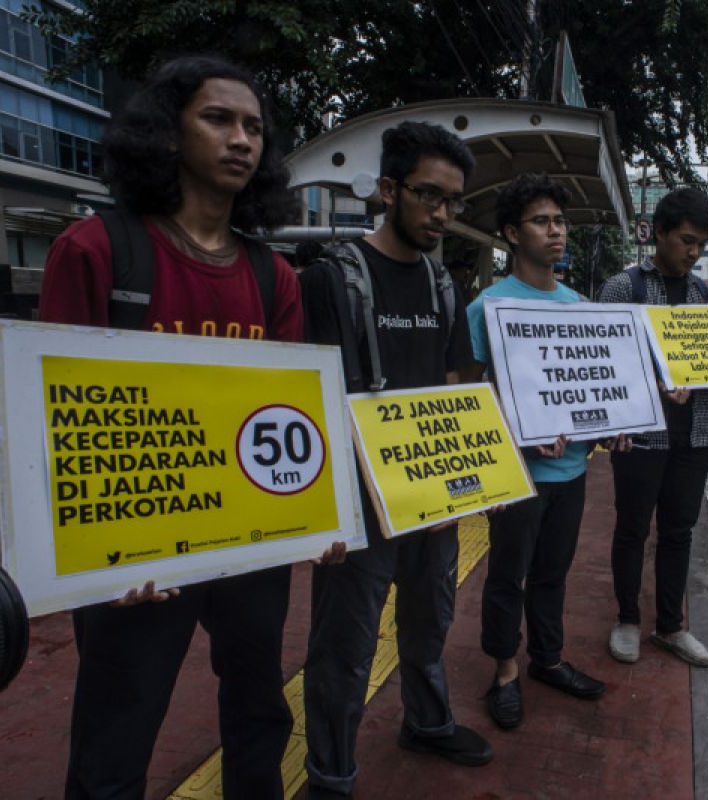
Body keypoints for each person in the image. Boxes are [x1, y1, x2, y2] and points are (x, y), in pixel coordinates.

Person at [38, 55, 318, 800]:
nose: (240, 140)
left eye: (254, 127)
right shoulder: (96, 249)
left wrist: (318, 513)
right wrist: (97, 562)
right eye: (217, 119)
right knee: (116, 730)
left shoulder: (273, 276)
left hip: (249, 545)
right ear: (167, 133)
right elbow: (53, 419)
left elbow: (289, 416)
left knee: (260, 708)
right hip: (137, 554)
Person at [298, 120, 489, 799]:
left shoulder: (444, 289)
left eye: (453, 201)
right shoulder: (330, 282)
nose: (442, 214)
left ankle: (427, 722)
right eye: (428, 195)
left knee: (429, 622)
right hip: (358, 509)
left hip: (429, 503)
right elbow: (308, 403)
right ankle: (330, 777)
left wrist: (456, 493)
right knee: (344, 650)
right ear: (387, 190)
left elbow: (456, 389)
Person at [460, 174, 629, 729]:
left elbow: (592, 383)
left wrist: (615, 422)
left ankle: (547, 659)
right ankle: (505, 669)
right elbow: (467, 397)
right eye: (541, 221)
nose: (556, 231)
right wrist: (512, 437)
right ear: (512, 233)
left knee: (553, 572)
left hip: (572, 470)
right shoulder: (488, 307)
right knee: (509, 574)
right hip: (516, 474)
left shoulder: (579, 303)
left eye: (559, 220)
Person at [596, 188, 708, 667]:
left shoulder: (701, 295)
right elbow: (601, 365)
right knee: (632, 529)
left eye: (701, 244)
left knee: (679, 531)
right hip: (639, 436)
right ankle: (628, 619)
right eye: (687, 241)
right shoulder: (621, 288)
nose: (694, 253)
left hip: (692, 435)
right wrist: (653, 385)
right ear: (659, 233)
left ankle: (670, 626)